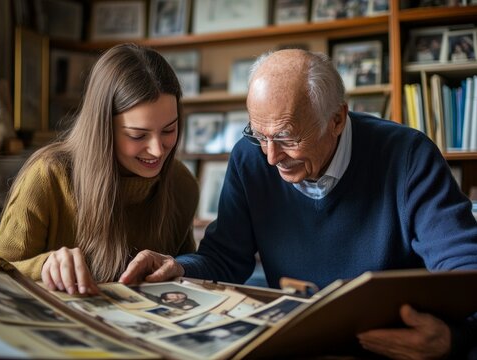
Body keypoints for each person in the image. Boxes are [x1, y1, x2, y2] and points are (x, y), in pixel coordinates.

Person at [119, 49, 477, 358]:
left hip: (390, 348)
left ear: (337, 119)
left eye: (287, 137)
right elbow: (225, 256)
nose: (272, 157)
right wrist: (178, 268)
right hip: (301, 346)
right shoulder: (250, 158)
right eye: (259, 135)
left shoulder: (408, 155)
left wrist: (453, 339)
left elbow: (464, 270)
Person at [0, 44, 199, 296]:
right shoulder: (47, 176)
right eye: (137, 135)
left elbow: (186, 273)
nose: (157, 150)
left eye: (169, 130)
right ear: (103, 129)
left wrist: (178, 268)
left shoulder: (181, 182)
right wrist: (43, 266)